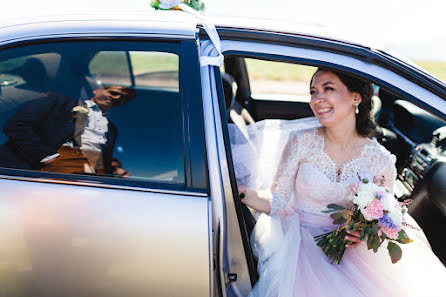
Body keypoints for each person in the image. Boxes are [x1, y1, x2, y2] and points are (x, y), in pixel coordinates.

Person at [237, 69, 446, 297]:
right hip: (296, 243)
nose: (317, 99)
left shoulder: (381, 159)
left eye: (328, 89)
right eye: (313, 91)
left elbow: (382, 219)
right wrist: (242, 194)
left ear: (356, 97)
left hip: (350, 251)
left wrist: (364, 234)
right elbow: (276, 200)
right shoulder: (301, 141)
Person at [0, 85, 136, 175]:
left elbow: (96, 151)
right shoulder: (59, 102)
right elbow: (17, 125)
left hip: (95, 173)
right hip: (56, 164)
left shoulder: (112, 129)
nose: (118, 98)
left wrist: (112, 170)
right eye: (114, 93)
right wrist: (46, 157)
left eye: (124, 98)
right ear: (97, 90)